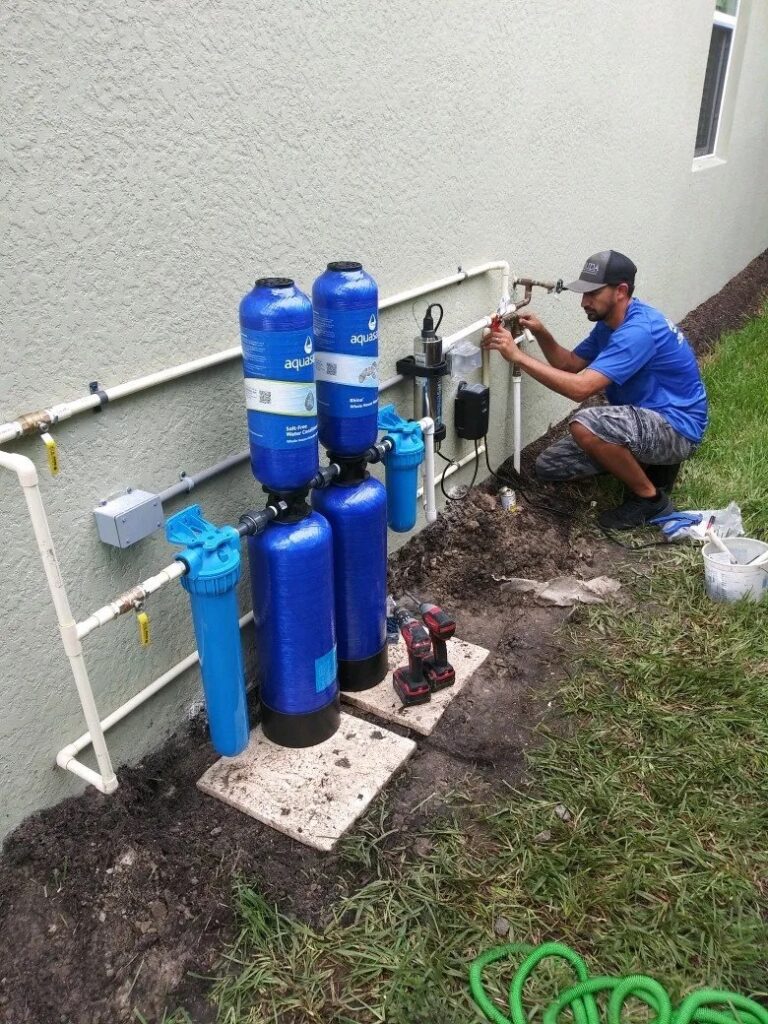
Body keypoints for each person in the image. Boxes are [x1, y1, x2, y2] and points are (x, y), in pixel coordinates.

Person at [482, 250, 708, 530]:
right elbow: (569, 364)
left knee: (585, 424)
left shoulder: (638, 331)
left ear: (621, 291)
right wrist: (541, 332)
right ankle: (649, 464)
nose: (584, 302)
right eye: (583, 293)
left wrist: (517, 357)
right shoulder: (610, 324)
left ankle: (651, 500)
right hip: (648, 418)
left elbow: (580, 389)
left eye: (592, 293)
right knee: (549, 466)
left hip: (677, 428)